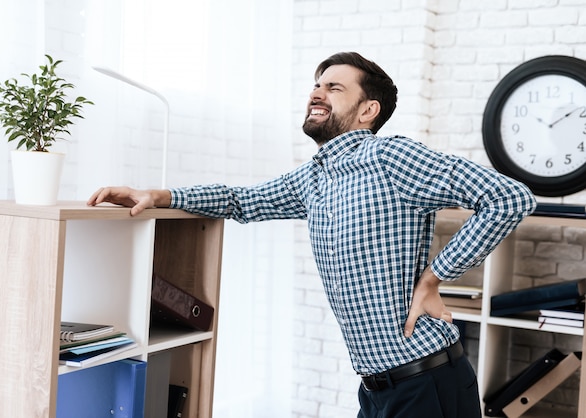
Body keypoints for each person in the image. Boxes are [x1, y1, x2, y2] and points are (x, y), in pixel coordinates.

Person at [88, 51, 536, 418]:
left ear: (368, 110)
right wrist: (158, 194)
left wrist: (436, 276)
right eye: (316, 84)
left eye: (334, 86)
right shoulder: (315, 178)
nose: (316, 92)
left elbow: (509, 197)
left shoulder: (391, 157)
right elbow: (241, 200)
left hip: (426, 382)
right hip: (377, 388)